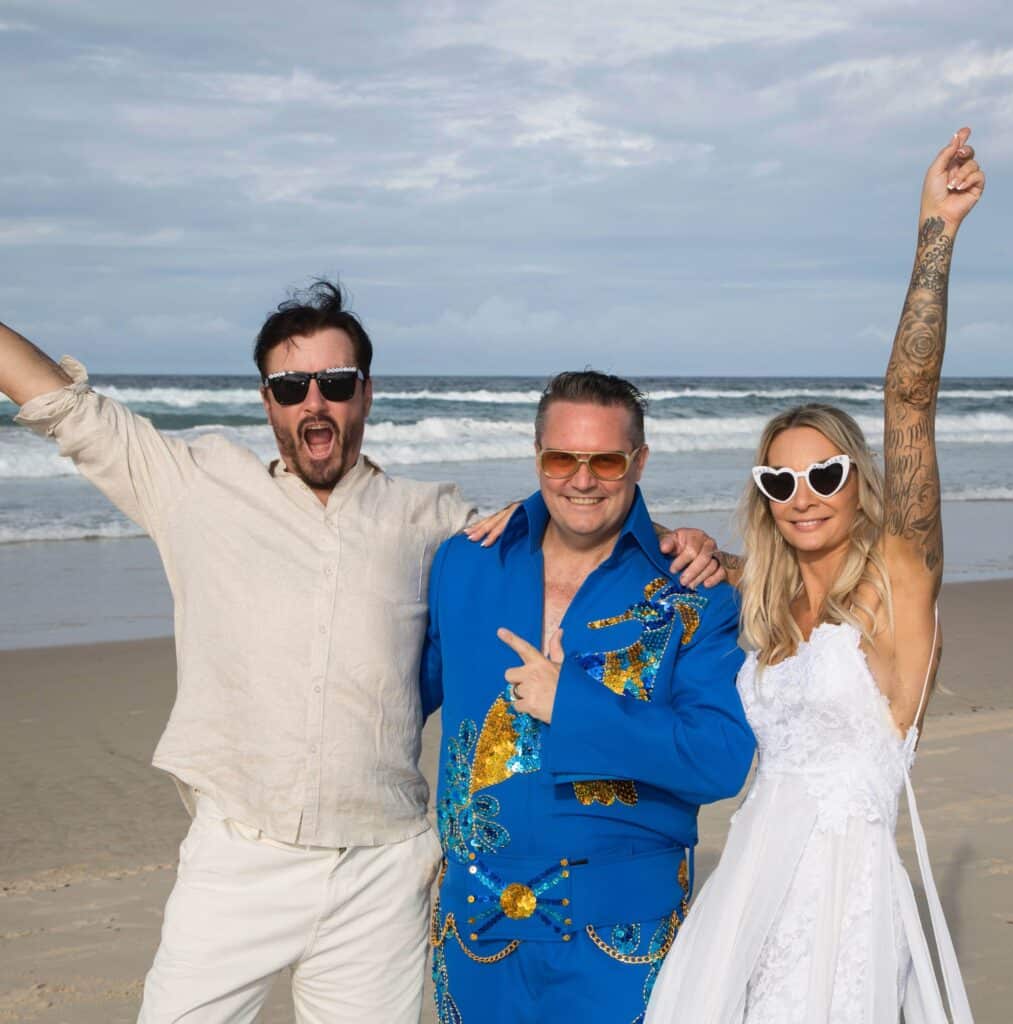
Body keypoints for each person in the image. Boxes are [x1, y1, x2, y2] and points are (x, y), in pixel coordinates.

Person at [0, 283, 722, 1023]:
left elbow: (577, 526)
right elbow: (66, 410)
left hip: (383, 869)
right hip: (239, 857)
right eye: (292, 385)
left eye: (336, 383)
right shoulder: (195, 488)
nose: (315, 402)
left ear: (365, 394)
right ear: (267, 400)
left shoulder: (436, 521)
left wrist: (688, 546)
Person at [645, 131, 984, 1022]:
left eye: (826, 475)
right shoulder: (764, 593)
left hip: (847, 903)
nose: (804, 497)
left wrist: (934, 233)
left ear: (858, 480)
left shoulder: (897, 578)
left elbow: (909, 398)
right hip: (750, 894)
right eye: (780, 481)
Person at [419, 370, 757, 1023]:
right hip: (476, 938)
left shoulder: (692, 593)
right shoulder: (464, 563)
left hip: (620, 942)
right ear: (536, 457)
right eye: (560, 459)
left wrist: (572, 706)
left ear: (639, 461)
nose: (581, 480)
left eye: (605, 460)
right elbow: (398, 697)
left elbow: (720, 757)